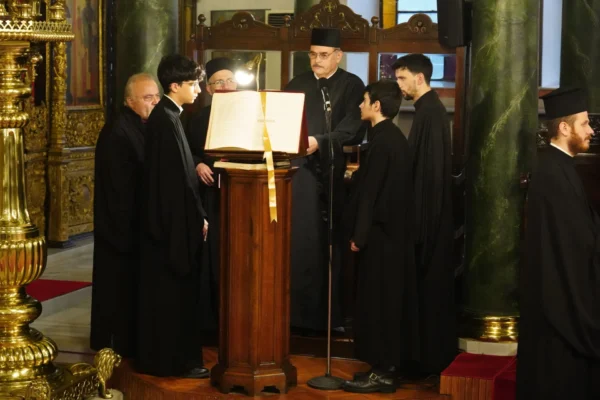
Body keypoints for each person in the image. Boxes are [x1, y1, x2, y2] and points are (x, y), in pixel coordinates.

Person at [517, 87, 599, 399]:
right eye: (585, 123)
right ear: (564, 128)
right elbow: (572, 245)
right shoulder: (552, 173)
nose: (591, 130)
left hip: (559, 296)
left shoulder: (560, 166)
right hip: (559, 305)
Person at [284, 27, 366, 334]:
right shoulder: (298, 84)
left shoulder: (351, 85)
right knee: (301, 242)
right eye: (312, 54)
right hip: (299, 173)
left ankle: (331, 317)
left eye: (323, 55)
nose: (316, 60)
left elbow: (353, 129)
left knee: (330, 245)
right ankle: (296, 316)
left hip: (334, 173)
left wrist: (320, 141)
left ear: (338, 56)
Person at [343, 80, 419, 393]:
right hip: (390, 237)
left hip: (382, 238)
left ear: (376, 105)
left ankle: (384, 372)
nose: (360, 105)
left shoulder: (384, 141)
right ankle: (380, 367)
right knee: (380, 302)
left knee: (381, 304)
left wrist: (358, 236)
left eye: (364, 100)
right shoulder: (389, 137)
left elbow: (371, 194)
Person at [135, 54, 209, 378]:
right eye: (193, 84)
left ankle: (178, 360)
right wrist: (196, 219)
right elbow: (174, 183)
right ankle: (174, 362)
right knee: (170, 298)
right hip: (170, 229)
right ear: (175, 86)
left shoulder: (170, 115)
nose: (199, 90)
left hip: (174, 224)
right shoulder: (165, 120)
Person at [393, 54, 455, 375]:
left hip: (428, 221)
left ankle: (424, 363)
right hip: (428, 218)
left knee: (427, 293)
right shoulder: (428, 110)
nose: (399, 85)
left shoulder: (430, 112)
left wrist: (419, 229)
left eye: (402, 78)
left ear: (420, 78)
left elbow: (429, 177)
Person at [90, 73, 160, 358]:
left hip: (131, 223)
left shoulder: (141, 127)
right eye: (147, 98)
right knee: (116, 289)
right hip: (120, 227)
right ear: (130, 101)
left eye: (156, 97)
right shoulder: (117, 132)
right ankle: (114, 346)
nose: (154, 102)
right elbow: (119, 187)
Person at [184, 57, 237, 333]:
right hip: (211, 195)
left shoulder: (251, 112)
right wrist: (197, 164)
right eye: (219, 82)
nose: (226, 86)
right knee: (213, 256)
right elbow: (187, 150)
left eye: (230, 80)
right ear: (209, 89)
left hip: (241, 192)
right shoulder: (198, 118)